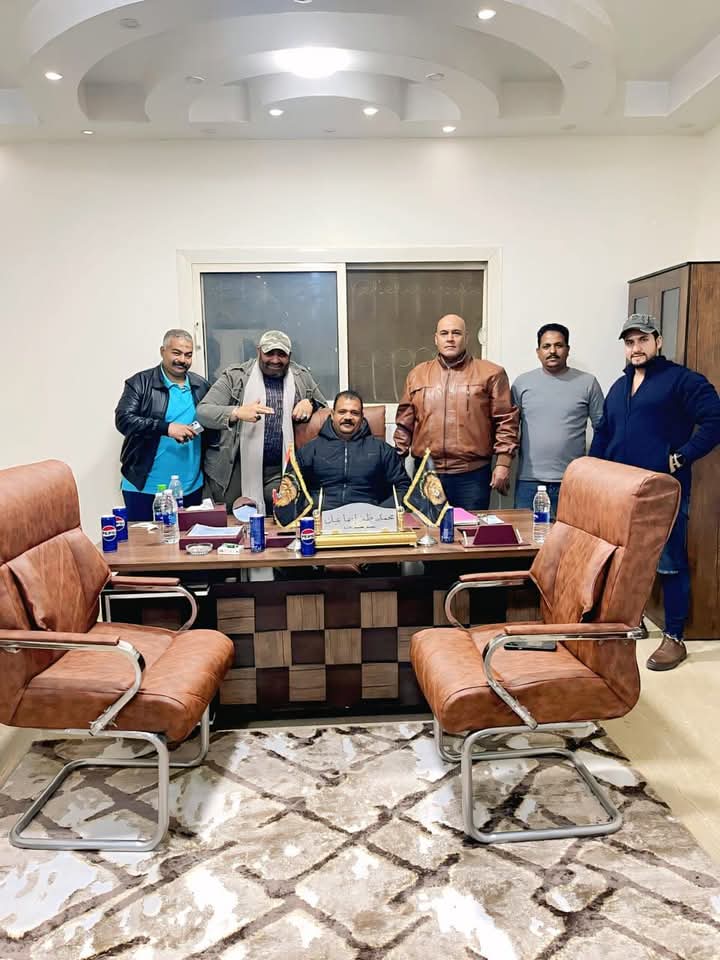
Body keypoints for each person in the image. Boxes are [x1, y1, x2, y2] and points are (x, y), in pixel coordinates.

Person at [590, 314, 720, 671]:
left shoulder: (682, 380)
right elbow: (604, 432)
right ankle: (633, 620)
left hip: (662, 491)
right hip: (621, 490)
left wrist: (683, 456)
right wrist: (591, 472)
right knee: (628, 561)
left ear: (658, 342)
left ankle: (674, 637)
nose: (636, 348)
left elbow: (715, 419)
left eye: (643, 340)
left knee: (670, 562)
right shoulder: (619, 386)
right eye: (630, 342)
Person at [394, 314, 519, 510]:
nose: (450, 338)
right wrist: (396, 465)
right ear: (436, 339)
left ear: (466, 338)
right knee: (428, 528)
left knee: (470, 527)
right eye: (444, 333)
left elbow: (506, 421)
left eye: (456, 333)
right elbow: (404, 424)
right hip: (428, 473)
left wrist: (503, 463)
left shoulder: (491, 374)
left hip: (472, 476)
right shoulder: (417, 375)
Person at [195, 330, 327, 513]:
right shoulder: (235, 376)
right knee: (234, 519)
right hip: (235, 468)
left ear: (290, 356)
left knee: (282, 516)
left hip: (281, 469)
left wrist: (310, 403)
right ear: (258, 351)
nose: (275, 360)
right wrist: (236, 412)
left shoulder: (301, 376)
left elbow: (326, 411)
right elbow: (203, 412)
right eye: (269, 353)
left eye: (281, 354)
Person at [115, 329, 212, 520]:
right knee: (144, 540)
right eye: (176, 353)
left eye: (188, 355)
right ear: (162, 351)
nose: (182, 360)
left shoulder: (201, 386)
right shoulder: (141, 383)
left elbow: (211, 423)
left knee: (189, 539)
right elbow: (123, 420)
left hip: (191, 489)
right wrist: (166, 428)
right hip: (144, 489)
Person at [512, 323, 604, 517]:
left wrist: (592, 473)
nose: (552, 351)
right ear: (538, 352)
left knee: (573, 536)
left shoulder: (588, 383)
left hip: (573, 482)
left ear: (568, 349)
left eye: (558, 345)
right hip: (530, 483)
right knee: (527, 535)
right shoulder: (522, 384)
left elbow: (603, 429)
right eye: (546, 346)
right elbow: (508, 429)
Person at [295, 390, 410, 510]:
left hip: (369, 518)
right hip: (321, 517)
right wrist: (310, 509)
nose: (348, 417)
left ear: (362, 417)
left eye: (354, 413)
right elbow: (291, 489)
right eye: (342, 412)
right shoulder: (309, 451)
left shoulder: (383, 451)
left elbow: (404, 488)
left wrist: (381, 511)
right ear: (332, 415)